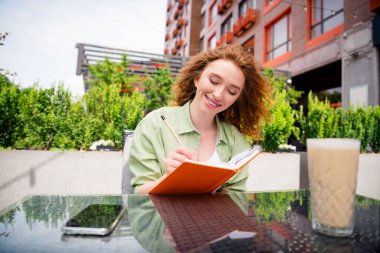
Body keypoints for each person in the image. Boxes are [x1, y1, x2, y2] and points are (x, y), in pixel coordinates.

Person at [129, 44, 270, 194]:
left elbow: (237, 197)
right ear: (197, 78)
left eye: (231, 91)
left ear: (237, 98)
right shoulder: (155, 124)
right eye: (214, 81)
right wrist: (170, 178)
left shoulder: (236, 140)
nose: (218, 94)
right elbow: (140, 194)